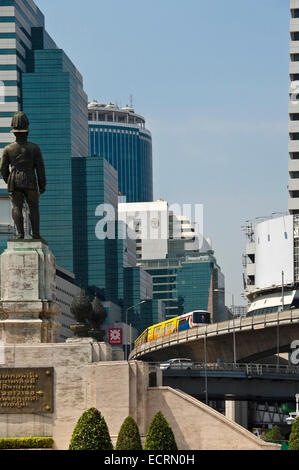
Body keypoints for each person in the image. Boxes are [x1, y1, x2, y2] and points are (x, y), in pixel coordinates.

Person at [0, 112, 46, 240]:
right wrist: (42, 185)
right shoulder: (34, 148)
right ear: (27, 130)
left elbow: (3, 168)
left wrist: (9, 179)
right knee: (34, 208)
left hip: (14, 181)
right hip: (30, 180)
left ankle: (20, 234)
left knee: (17, 207)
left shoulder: (8, 149)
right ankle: (36, 234)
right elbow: (40, 169)